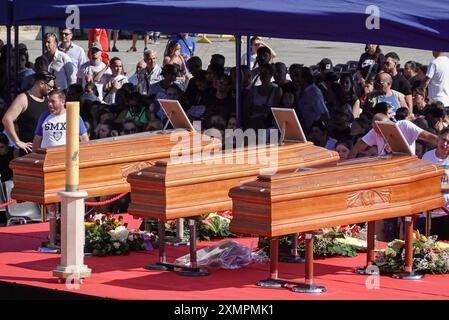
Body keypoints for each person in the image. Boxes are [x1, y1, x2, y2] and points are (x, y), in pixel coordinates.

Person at [2, 71, 55, 154]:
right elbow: (7, 119)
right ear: (41, 84)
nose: (51, 90)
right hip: (29, 152)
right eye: (50, 87)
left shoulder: (48, 100)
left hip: (46, 150)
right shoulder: (23, 99)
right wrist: (17, 142)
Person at [348, 113, 437, 158]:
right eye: (374, 129)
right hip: (387, 169)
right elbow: (357, 147)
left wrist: (445, 144)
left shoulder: (404, 125)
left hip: (407, 166)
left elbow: (429, 137)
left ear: (387, 123)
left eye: (379, 129)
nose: (377, 133)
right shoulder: (375, 130)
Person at [418, 127, 449, 240]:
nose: (445, 144)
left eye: (448, 142)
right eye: (443, 139)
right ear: (438, 139)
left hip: (446, 213)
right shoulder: (427, 156)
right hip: (429, 212)